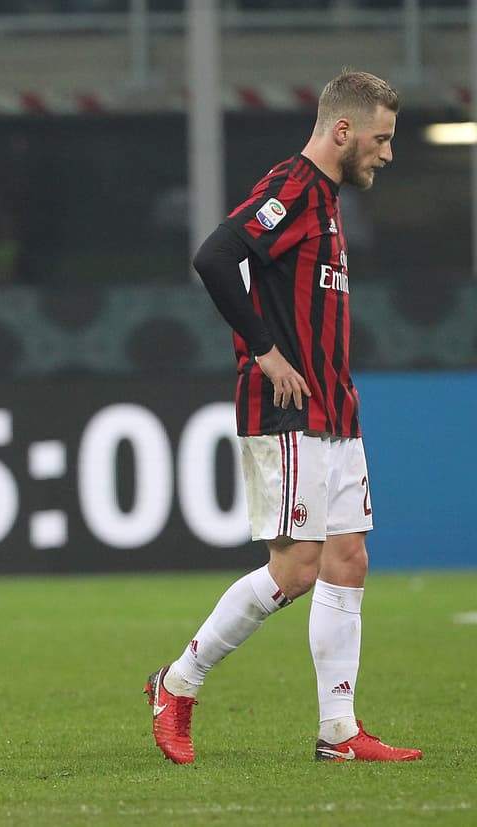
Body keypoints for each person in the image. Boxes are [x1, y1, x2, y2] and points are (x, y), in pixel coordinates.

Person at [144, 70, 421, 765]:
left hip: (336, 405)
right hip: (289, 408)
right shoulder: (294, 188)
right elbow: (214, 255)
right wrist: (265, 350)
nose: (387, 153)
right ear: (343, 130)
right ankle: (177, 683)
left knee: (348, 557)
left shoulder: (327, 200)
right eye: (381, 139)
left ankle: (338, 731)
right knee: (296, 568)